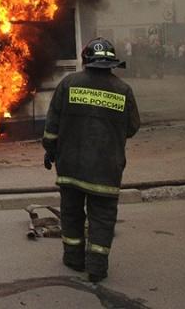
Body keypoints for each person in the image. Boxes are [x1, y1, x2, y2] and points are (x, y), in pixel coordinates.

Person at [42, 37, 140, 283]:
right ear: (112, 63)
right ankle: (97, 267)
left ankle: (74, 259)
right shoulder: (123, 90)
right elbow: (132, 127)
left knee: (72, 214)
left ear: (86, 59)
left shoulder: (68, 84)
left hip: (71, 166)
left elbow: (52, 127)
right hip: (106, 169)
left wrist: (50, 149)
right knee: (102, 218)